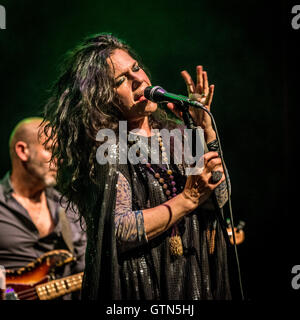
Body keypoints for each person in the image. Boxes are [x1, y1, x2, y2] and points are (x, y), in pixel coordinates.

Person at [43, 33, 233, 300]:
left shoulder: (176, 132)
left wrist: (205, 129)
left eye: (136, 69)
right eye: (121, 80)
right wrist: (187, 199)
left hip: (194, 277)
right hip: (142, 285)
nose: (138, 81)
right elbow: (119, 231)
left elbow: (219, 200)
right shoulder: (106, 148)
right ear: (101, 100)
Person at [0, 117, 86, 300]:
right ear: (23, 151)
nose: (60, 160)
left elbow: (84, 267)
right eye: (51, 150)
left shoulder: (67, 208)